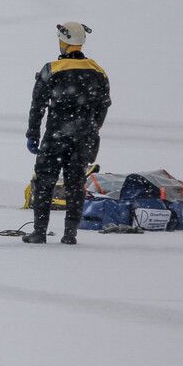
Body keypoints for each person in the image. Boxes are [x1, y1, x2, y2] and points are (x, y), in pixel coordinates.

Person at [24, 21, 111, 245]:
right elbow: (104, 105)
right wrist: (92, 129)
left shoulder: (51, 69)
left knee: (45, 182)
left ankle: (39, 232)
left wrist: (33, 134)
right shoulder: (98, 71)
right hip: (83, 138)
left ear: (64, 41)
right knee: (75, 184)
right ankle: (70, 234)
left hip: (56, 136)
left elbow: (37, 105)